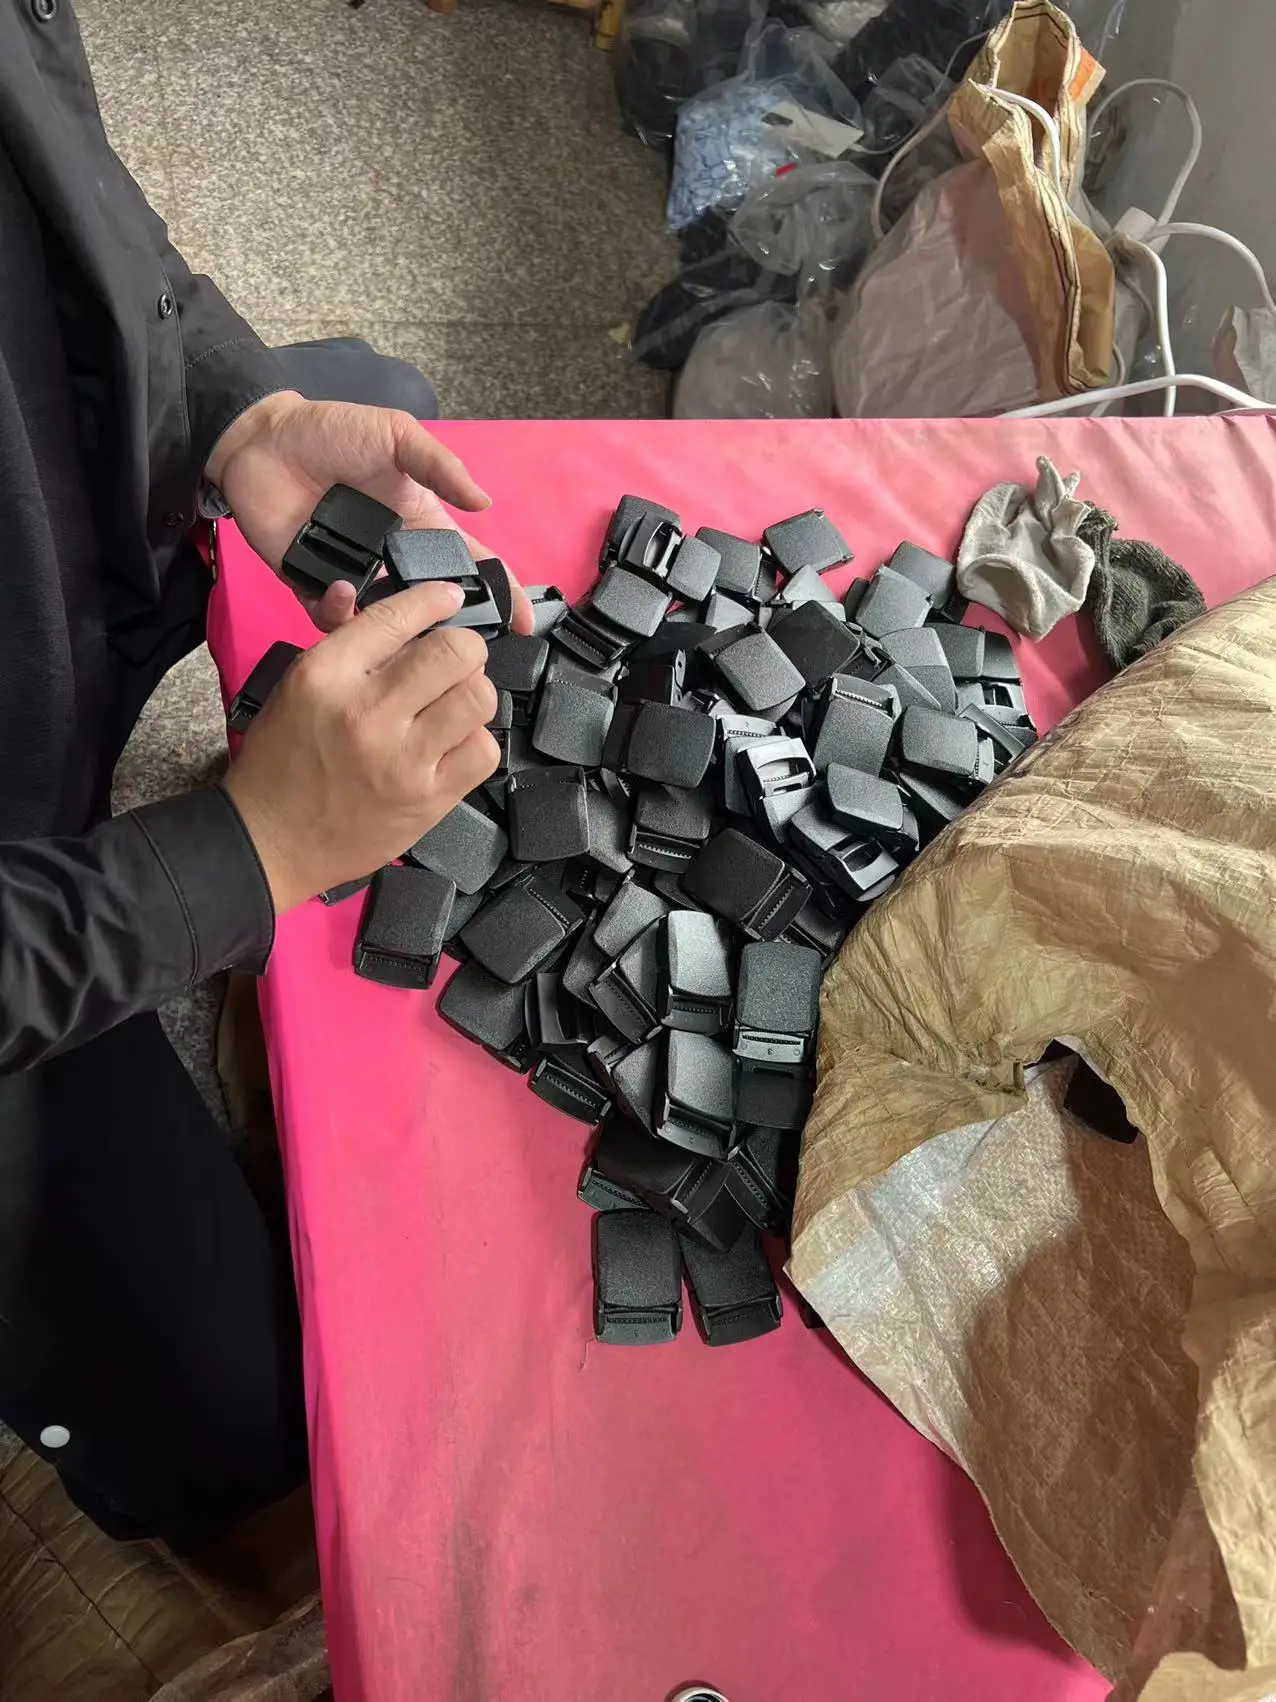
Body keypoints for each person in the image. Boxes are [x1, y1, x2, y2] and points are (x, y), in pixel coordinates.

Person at [0, 2, 529, 1548]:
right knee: (242, 1424)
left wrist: (239, 410)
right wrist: (234, 858)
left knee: (389, 404)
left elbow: (73, 179)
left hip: (48, 616)